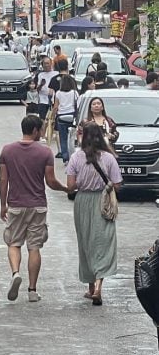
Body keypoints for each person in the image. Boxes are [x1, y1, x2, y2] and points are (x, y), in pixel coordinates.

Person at [0, 114, 69, 303]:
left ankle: (15, 273)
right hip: (37, 205)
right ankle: (32, 290)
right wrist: (65, 188)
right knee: (34, 247)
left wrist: (3, 204)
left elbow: (3, 179)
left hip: (15, 204)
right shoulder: (45, 152)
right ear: (36, 130)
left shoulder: (7, 151)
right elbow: (51, 181)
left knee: (13, 243)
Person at [66, 124, 123, 307]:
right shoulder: (109, 158)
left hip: (82, 202)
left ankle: (91, 288)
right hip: (103, 201)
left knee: (86, 243)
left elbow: (71, 186)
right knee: (103, 242)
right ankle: (99, 287)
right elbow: (117, 184)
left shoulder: (76, 157)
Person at [53, 75, 79, 163]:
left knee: (62, 138)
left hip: (61, 116)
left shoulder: (58, 93)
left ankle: (65, 157)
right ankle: (72, 156)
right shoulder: (75, 93)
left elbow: (55, 107)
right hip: (72, 116)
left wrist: (53, 117)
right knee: (72, 138)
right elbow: (77, 105)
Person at [35, 57, 58, 122]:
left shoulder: (56, 73)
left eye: (47, 63)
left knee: (52, 119)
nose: (46, 65)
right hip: (43, 100)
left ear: (51, 64)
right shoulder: (40, 75)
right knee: (42, 119)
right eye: (44, 64)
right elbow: (37, 89)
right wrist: (41, 84)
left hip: (53, 100)